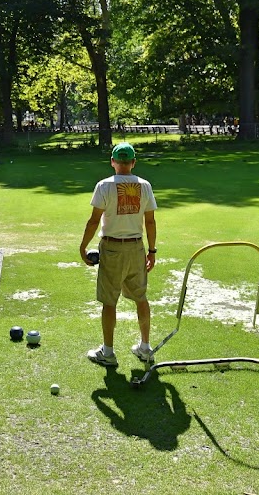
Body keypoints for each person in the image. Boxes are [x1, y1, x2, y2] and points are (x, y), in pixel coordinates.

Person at [79, 142, 158, 367]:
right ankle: (145, 348)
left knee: (109, 300)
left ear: (113, 162)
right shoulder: (144, 185)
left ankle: (108, 352)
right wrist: (152, 251)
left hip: (112, 248)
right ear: (133, 162)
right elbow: (150, 222)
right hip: (136, 247)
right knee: (141, 298)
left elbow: (94, 220)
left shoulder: (104, 186)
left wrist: (83, 246)